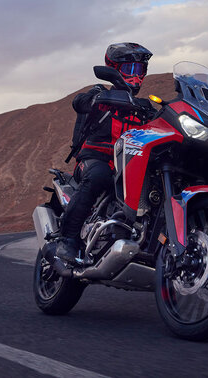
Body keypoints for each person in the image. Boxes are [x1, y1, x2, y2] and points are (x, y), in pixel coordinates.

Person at [57, 42, 157, 264]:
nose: (136, 76)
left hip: (129, 164)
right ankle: (68, 240)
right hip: (96, 157)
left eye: (140, 70)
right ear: (114, 69)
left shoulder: (144, 106)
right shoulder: (100, 93)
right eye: (130, 69)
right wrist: (94, 99)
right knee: (99, 176)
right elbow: (79, 102)